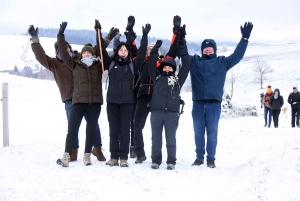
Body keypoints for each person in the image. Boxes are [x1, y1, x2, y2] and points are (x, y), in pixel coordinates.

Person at [28, 25, 117, 162]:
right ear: (59, 51)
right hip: (70, 98)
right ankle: (73, 152)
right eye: (63, 49)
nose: (67, 50)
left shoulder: (78, 59)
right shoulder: (54, 64)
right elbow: (40, 56)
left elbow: (97, 48)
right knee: (72, 126)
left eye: (68, 48)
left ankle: (97, 148)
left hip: (88, 97)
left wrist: (108, 37)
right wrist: (34, 39)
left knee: (94, 125)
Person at [190, 22, 253, 168]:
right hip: (198, 103)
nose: (207, 50)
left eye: (210, 48)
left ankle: (211, 159)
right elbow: (182, 53)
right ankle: (199, 158)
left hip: (214, 104)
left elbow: (237, 56)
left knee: (212, 133)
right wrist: (179, 35)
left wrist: (244, 40)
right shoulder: (194, 62)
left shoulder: (222, 62)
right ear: (202, 50)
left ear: (214, 50)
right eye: (205, 48)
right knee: (198, 133)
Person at [56, 21, 108, 167]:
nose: (86, 53)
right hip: (78, 102)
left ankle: (87, 156)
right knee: (72, 129)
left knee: (90, 130)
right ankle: (66, 155)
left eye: (89, 52)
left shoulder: (99, 65)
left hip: (94, 103)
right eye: (84, 52)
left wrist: (99, 30)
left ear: (92, 53)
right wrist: (60, 35)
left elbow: (102, 49)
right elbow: (64, 55)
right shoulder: (75, 65)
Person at [133, 15, 182, 164]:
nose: (151, 50)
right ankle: (139, 153)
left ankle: (164, 156)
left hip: (157, 99)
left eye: (153, 48)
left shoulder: (162, 63)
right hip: (142, 96)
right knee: (136, 126)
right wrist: (142, 36)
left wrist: (176, 30)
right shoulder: (142, 61)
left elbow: (174, 48)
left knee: (160, 131)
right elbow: (135, 49)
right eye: (149, 48)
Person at [103, 21, 151, 167]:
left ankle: (123, 158)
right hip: (112, 102)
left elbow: (142, 54)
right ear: (117, 51)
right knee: (113, 130)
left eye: (125, 50)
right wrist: (100, 32)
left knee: (124, 130)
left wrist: (144, 37)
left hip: (127, 103)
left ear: (128, 52)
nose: (123, 52)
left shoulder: (132, 65)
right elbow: (101, 50)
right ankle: (113, 157)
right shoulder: (110, 64)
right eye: (121, 50)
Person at [148, 37, 189, 170]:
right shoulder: (157, 78)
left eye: (169, 67)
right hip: (156, 112)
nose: (166, 69)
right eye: (165, 67)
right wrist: (154, 50)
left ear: (173, 69)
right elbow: (151, 64)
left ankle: (171, 161)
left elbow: (186, 66)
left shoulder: (177, 80)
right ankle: (156, 160)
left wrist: (183, 49)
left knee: (171, 139)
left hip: (172, 113)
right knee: (156, 139)